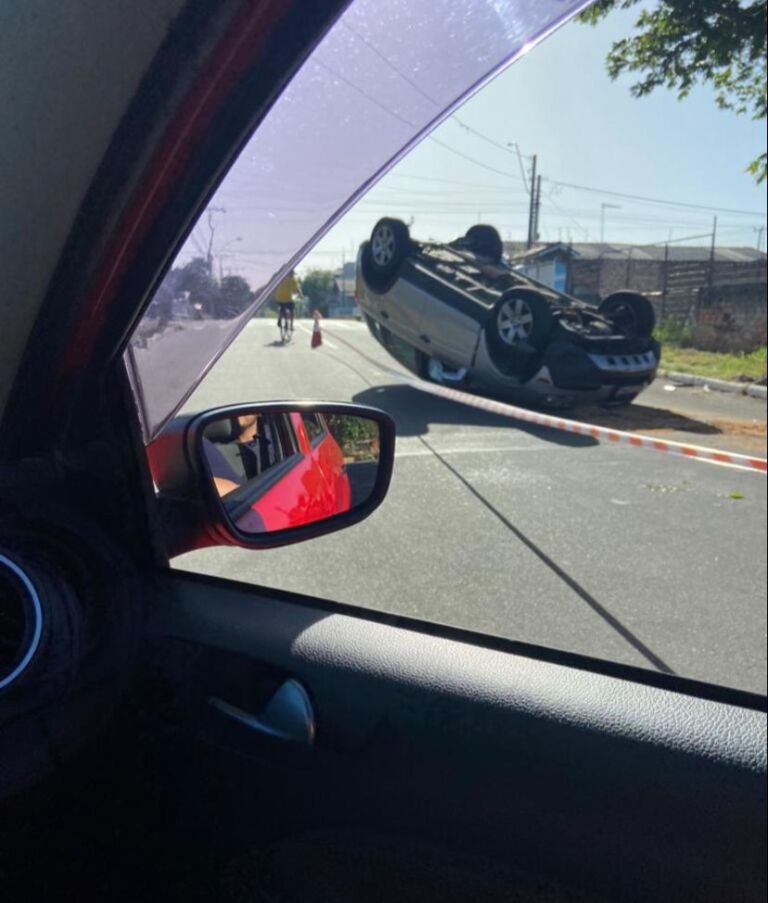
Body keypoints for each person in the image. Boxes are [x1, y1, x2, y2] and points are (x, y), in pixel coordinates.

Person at [274, 268, 301, 335]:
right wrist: (299, 294)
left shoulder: (281, 278)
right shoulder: (293, 280)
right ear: (291, 274)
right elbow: (297, 290)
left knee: (282, 306)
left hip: (278, 297)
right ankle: (291, 326)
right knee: (292, 310)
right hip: (287, 298)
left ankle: (280, 319)